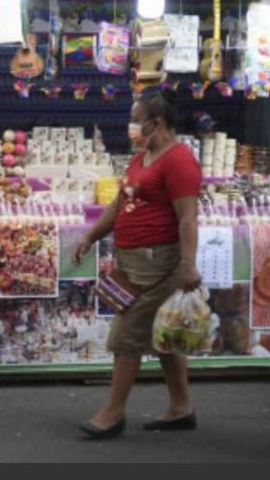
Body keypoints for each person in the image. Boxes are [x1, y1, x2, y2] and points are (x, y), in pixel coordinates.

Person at [73, 89, 202, 439]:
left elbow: (188, 218)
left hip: (157, 263)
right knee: (164, 333)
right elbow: (120, 203)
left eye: (135, 120)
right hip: (132, 262)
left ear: (156, 123)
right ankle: (181, 408)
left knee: (127, 335)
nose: (131, 126)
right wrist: (91, 235)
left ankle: (113, 413)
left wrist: (188, 263)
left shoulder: (179, 161)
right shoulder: (143, 158)